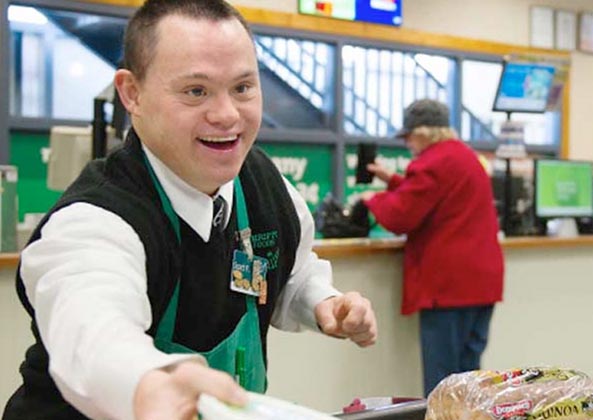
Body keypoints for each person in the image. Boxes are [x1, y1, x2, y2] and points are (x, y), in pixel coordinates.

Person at [3, 1, 377, 419]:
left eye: (243, 88)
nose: (226, 115)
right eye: (195, 91)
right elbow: (90, 327)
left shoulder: (265, 187)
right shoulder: (96, 219)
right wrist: (148, 385)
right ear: (133, 94)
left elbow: (292, 269)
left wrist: (323, 302)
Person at [360, 99, 503, 396]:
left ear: (422, 133)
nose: (408, 144)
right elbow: (433, 196)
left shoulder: (432, 162)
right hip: (481, 283)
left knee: (443, 385)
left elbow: (401, 216)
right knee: (470, 378)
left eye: (408, 136)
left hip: (449, 286)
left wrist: (370, 201)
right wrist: (394, 180)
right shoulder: (463, 156)